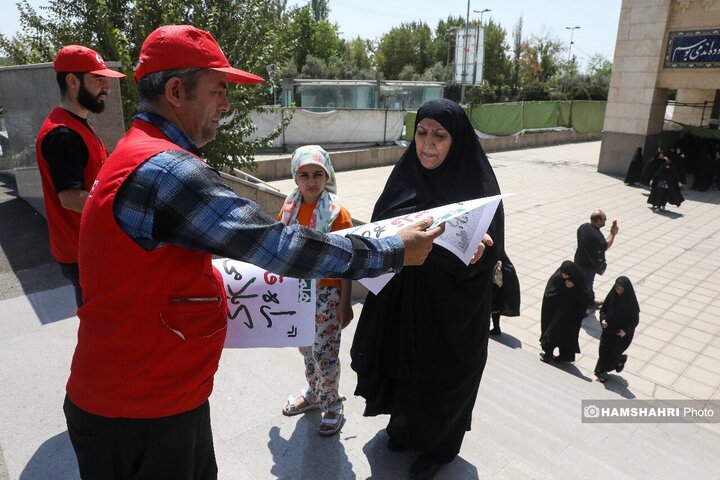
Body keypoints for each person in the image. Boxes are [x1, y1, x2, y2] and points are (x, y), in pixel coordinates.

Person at [65, 25, 443, 480]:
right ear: (176, 90)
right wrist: (390, 251)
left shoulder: (138, 152)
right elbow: (278, 246)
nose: (226, 104)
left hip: (139, 396)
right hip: (142, 410)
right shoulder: (167, 170)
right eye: (219, 89)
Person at [350, 98, 503, 480]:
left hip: (451, 314)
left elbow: (491, 248)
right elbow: (381, 228)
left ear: (458, 141)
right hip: (404, 304)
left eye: (439, 135)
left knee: (442, 379)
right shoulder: (405, 176)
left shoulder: (477, 186)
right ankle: (402, 429)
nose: (427, 144)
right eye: (421, 133)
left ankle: (439, 449)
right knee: (404, 367)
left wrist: (481, 251)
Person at [35, 45, 125, 307]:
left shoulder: (75, 124)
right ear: (73, 81)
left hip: (89, 251)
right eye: (98, 79)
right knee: (103, 331)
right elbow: (71, 198)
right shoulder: (63, 134)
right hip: (85, 254)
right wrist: (125, 211)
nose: (106, 87)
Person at [277, 145, 353, 436]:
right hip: (299, 292)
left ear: (327, 175)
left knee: (325, 353)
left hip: (327, 294)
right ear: (295, 178)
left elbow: (347, 262)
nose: (311, 181)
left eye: (317, 174)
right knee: (306, 348)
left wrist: (345, 303)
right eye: (304, 174)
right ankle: (313, 394)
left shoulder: (337, 213)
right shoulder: (289, 208)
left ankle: (332, 403)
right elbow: (280, 249)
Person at [539, 260, 590, 363]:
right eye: (563, 274)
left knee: (567, 336)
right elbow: (550, 293)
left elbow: (585, 299)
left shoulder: (579, 281)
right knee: (552, 332)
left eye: (566, 275)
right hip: (556, 313)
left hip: (571, 315)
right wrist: (564, 290)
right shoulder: (557, 277)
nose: (563, 276)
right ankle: (548, 354)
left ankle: (565, 356)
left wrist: (572, 288)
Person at [594, 276, 640, 382]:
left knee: (613, 353)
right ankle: (605, 369)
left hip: (621, 334)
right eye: (617, 288)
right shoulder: (612, 296)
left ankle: (604, 370)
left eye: (621, 289)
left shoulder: (630, 302)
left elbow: (635, 320)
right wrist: (603, 320)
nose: (618, 291)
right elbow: (603, 310)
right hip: (609, 329)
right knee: (603, 350)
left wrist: (626, 331)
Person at [574, 210, 619, 308]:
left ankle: (587, 301)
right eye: (604, 219)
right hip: (588, 265)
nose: (605, 222)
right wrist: (613, 233)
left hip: (579, 260)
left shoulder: (583, 227)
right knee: (587, 285)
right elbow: (605, 246)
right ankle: (587, 303)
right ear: (598, 220)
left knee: (582, 283)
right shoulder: (596, 236)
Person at [489, 252, 521, 336]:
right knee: (494, 304)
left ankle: (494, 328)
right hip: (497, 273)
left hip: (495, 274)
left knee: (492, 303)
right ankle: (496, 328)